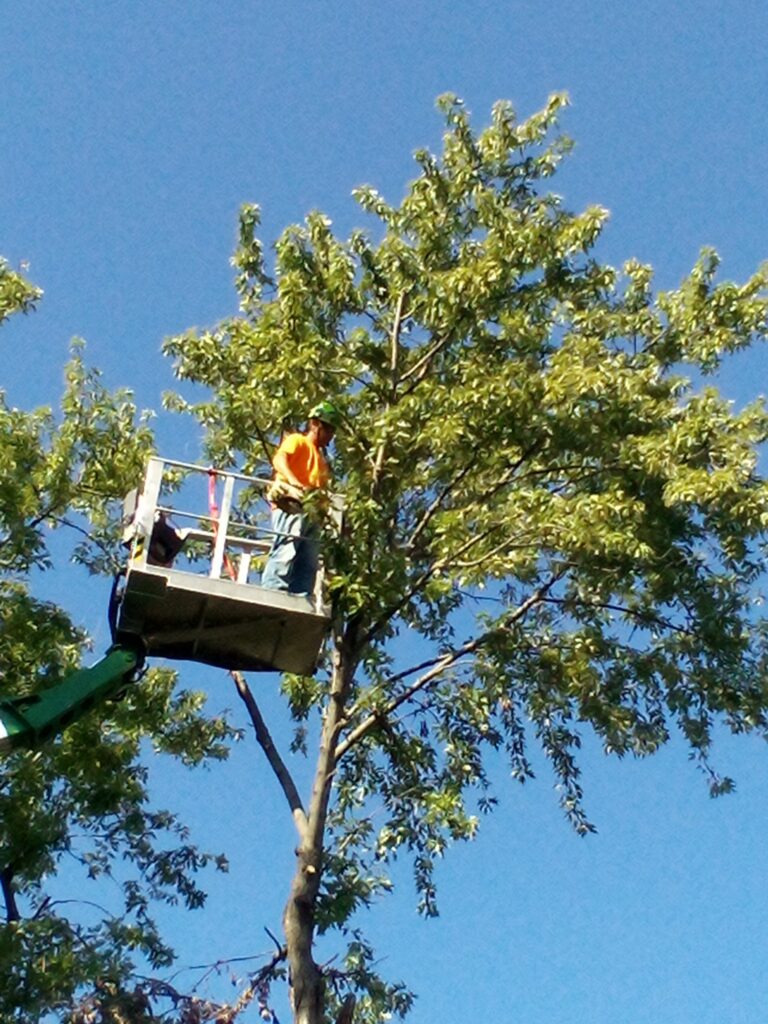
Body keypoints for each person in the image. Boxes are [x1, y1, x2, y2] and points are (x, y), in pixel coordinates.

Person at [260, 401, 340, 596]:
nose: (330, 435)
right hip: (292, 503)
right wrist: (294, 481)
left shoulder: (321, 462)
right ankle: (274, 591)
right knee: (287, 548)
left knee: (308, 560)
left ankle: (300, 595)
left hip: (311, 512)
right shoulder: (298, 440)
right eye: (328, 428)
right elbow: (279, 460)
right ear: (315, 423)